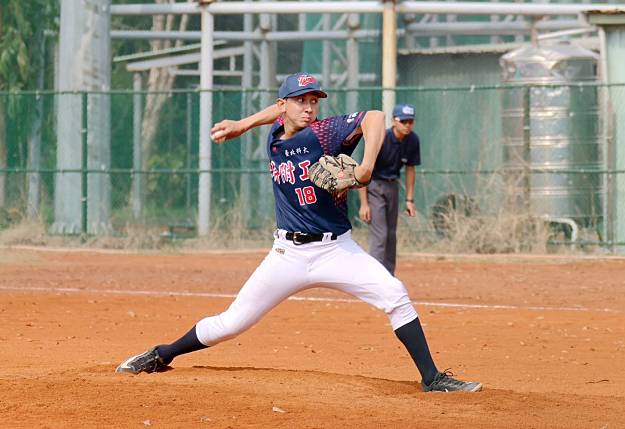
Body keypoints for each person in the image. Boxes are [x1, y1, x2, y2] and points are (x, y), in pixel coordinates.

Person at [115, 72, 481, 393]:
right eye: (300, 101)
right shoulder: (275, 131)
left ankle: (432, 378)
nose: (308, 108)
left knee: (394, 294)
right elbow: (276, 113)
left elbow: (374, 117)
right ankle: (161, 354)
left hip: (337, 250)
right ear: (283, 106)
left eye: (313, 101)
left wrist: (366, 166)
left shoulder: (326, 132)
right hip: (286, 255)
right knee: (231, 323)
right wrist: (243, 124)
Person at [358, 103, 421, 275]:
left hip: (393, 186)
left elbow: (410, 169)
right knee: (381, 235)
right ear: (394, 121)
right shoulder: (381, 139)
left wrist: (409, 200)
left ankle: (388, 276)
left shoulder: (412, 140)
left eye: (411, 121)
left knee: (391, 235)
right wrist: (364, 203)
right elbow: (364, 170)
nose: (407, 125)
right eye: (404, 121)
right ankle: (375, 277)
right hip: (374, 185)